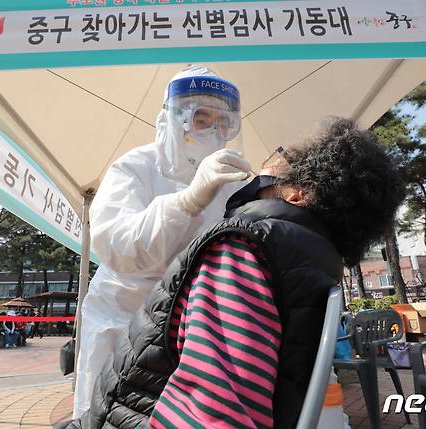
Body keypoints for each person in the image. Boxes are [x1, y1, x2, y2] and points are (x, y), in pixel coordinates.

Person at [79, 117, 406, 429]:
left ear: (299, 193)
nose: (265, 162)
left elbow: (213, 416)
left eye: (283, 156)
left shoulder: (248, 247)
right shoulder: (315, 259)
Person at [74, 65, 251, 418]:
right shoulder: (135, 167)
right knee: (107, 413)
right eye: (202, 120)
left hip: (194, 325)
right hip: (122, 319)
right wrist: (186, 202)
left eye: (223, 123)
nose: (213, 132)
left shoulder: (232, 181)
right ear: (174, 118)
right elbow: (118, 248)